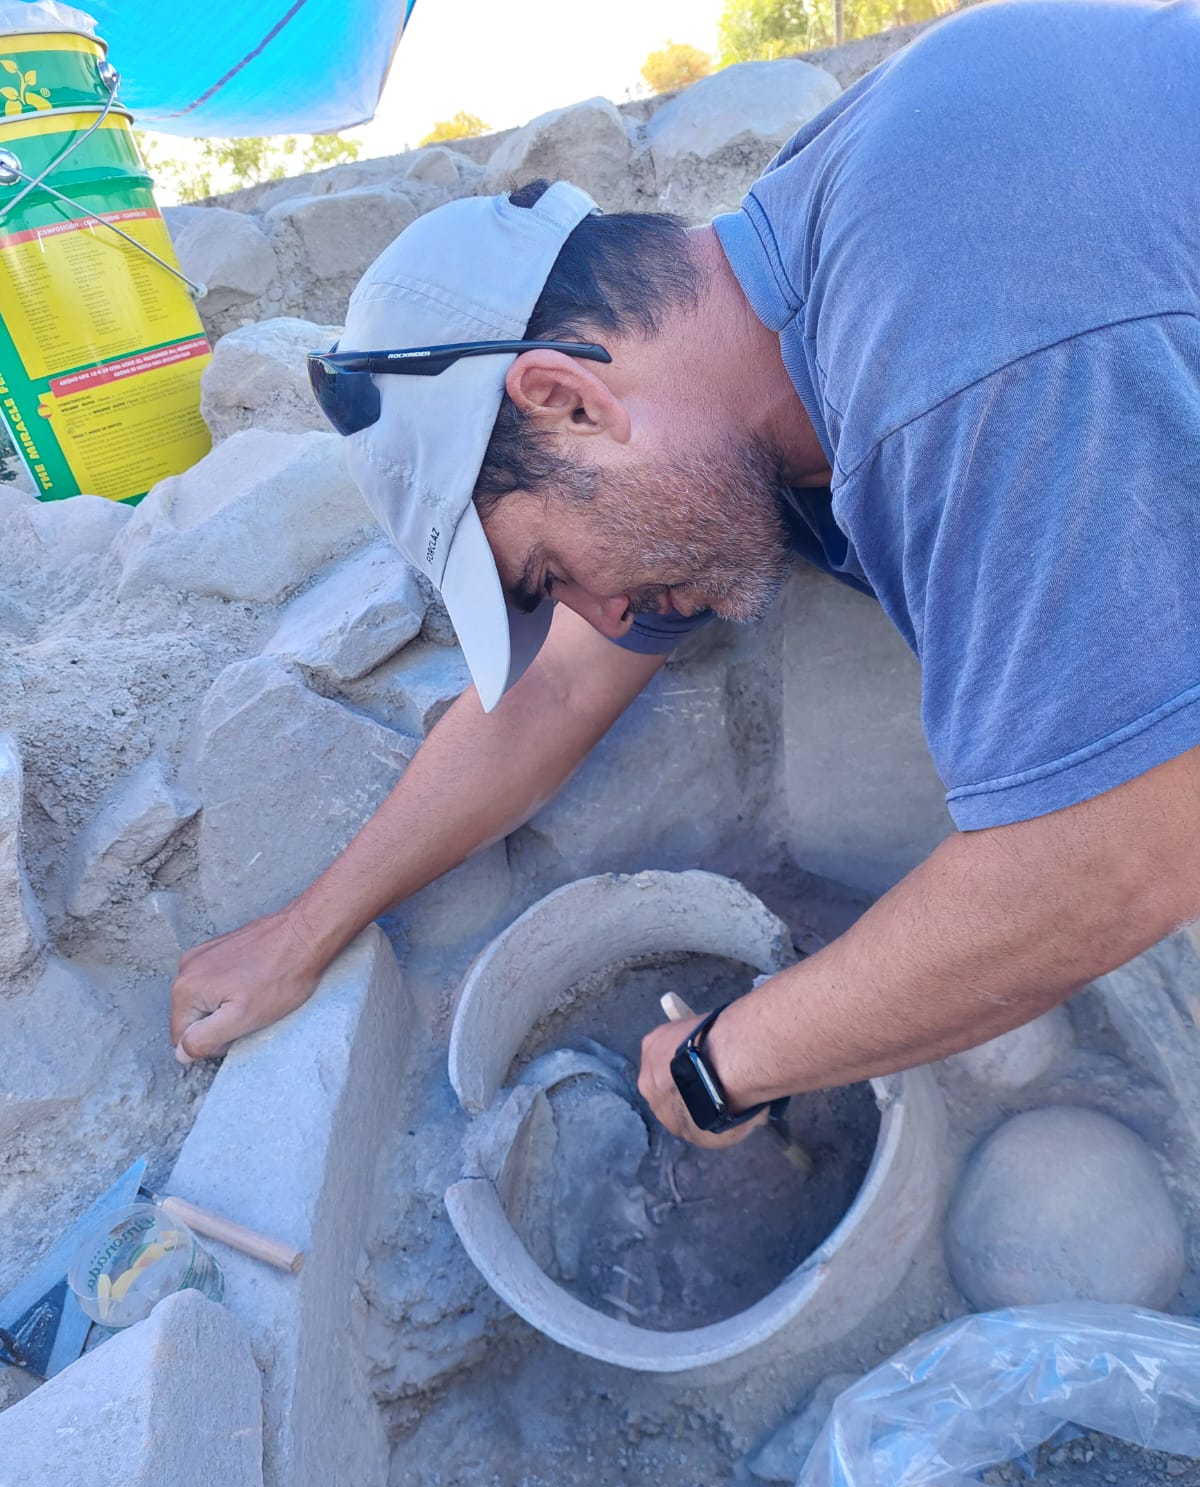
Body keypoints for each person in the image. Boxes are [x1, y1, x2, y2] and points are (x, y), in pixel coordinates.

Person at [171, 0, 1200, 1148]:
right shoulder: (788, 315)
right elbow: (552, 693)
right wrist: (307, 929)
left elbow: (1113, 856)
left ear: (565, 399)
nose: (603, 616)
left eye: (549, 569)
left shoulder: (942, 338)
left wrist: (727, 1062)